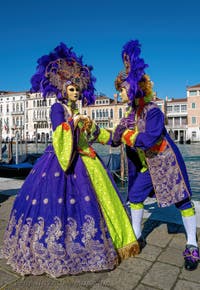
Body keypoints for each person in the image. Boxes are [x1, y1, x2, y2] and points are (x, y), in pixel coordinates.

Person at [0, 42, 139, 277]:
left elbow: (96, 135)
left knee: (101, 201)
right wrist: (73, 124)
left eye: (77, 89)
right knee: (59, 206)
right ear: (63, 89)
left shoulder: (78, 112)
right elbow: (59, 135)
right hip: (61, 161)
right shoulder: (58, 109)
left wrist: (117, 136)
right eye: (72, 89)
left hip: (88, 160)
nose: (76, 93)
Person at [87, 40, 199, 271]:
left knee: (183, 200)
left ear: (137, 87)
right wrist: (93, 131)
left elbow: (150, 138)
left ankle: (192, 242)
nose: (121, 93)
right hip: (144, 167)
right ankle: (136, 235)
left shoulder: (153, 111)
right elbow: (115, 138)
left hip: (166, 163)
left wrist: (128, 135)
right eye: (120, 90)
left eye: (124, 89)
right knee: (136, 196)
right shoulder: (129, 114)